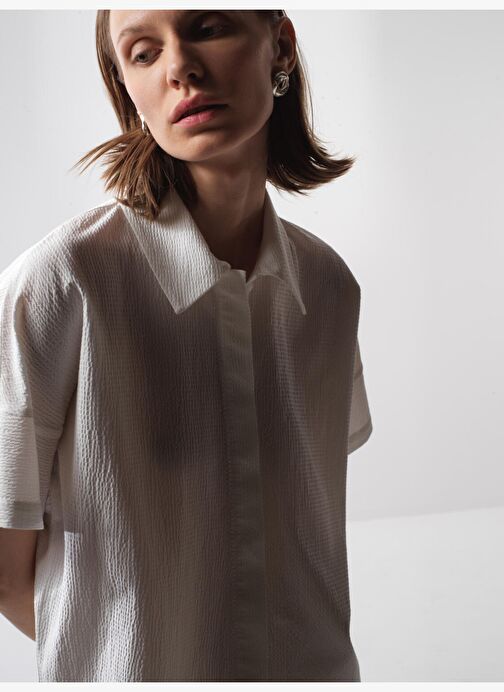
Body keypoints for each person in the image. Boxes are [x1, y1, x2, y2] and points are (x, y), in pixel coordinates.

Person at [0, 9, 373, 683]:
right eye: (143, 53)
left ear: (279, 44)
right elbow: (6, 575)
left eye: (206, 27)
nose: (180, 69)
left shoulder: (328, 287)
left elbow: (302, 534)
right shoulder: (60, 282)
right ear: (126, 87)